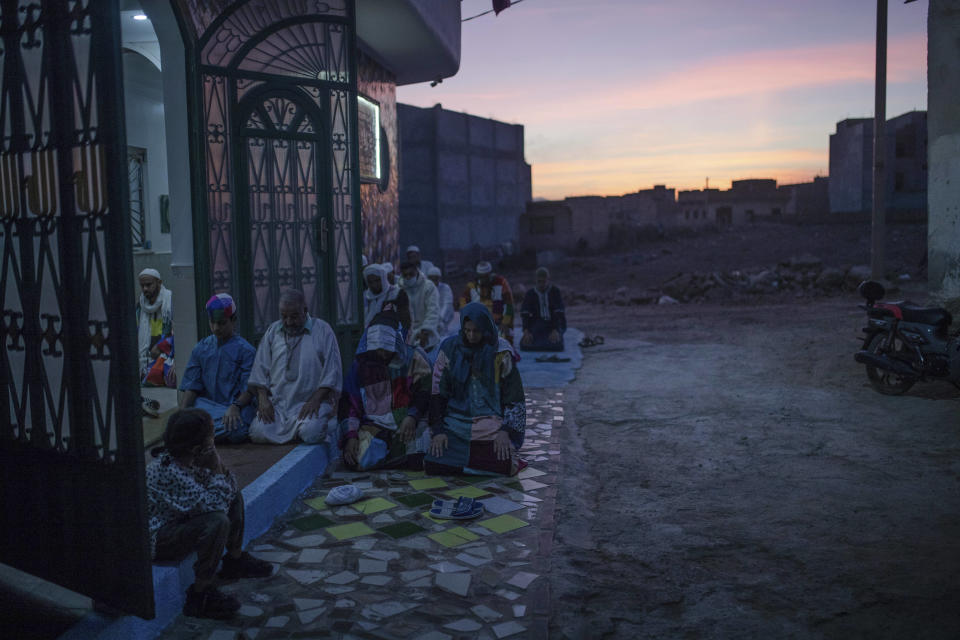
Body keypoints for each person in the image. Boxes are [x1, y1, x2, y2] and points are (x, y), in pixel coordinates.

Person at [148, 409, 273, 620]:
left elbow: (227, 489)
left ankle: (234, 560)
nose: (214, 441)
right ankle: (200, 594)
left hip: (182, 518)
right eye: (211, 437)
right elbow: (214, 507)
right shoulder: (171, 471)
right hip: (160, 537)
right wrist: (215, 464)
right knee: (217, 522)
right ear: (198, 448)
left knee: (233, 494)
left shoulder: (190, 461)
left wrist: (219, 470)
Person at [425, 302, 526, 476]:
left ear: (486, 328)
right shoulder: (449, 349)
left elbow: (514, 398)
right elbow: (437, 393)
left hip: (491, 423)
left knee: (505, 463)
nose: (471, 336)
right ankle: (475, 466)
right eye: (467, 330)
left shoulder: (501, 352)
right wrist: (439, 430)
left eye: (476, 331)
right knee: (433, 461)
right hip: (456, 422)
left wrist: (505, 431)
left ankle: (465, 466)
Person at [338, 312, 432, 471]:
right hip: (375, 426)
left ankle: (394, 456)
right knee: (358, 459)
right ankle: (399, 457)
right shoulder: (360, 364)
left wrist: (412, 416)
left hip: (410, 422)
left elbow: (426, 390)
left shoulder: (415, 358)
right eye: (378, 348)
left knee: (428, 447)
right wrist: (351, 436)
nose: (382, 353)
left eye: (387, 348)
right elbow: (350, 403)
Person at [246, 290, 342, 444]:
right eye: (284, 316)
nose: (289, 321)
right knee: (257, 432)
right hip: (279, 407)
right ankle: (296, 432)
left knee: (311, 433)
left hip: (310, 404)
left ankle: (309, 428)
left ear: (305, 310)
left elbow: (332, 371)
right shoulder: (272, 331)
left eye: (294, 316)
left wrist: (315, 400)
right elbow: (260, 370)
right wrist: (263, 400)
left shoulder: (323, 330)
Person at [179, 294, 257, 443]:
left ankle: (197, 434)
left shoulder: (246, 351)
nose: (216, 328)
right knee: (187, 414)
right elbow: (191, 387)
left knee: (237, 429)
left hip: (235, 408)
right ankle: (201, 432)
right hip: (208, 408)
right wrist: (180, 418)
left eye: (221, 323)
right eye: (212, 322)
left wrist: (235, 407)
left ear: (233, 320)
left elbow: (249, 389)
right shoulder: (201, 348)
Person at [457, 261, 516, 345]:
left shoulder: (501, 282)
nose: (484, 279)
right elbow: (463, 304)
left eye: (486, 277)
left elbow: (509, 305)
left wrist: (505, 323)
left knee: (503, 344)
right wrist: (470, 321)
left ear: (490, 274)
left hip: (499, 324)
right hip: (477, 324)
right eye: (481, 277)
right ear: (478, 275)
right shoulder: (471, 286)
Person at [137, 268, 175, 387]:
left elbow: (179, 334)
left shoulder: (170, 301)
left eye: (148, 285)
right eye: (142, 286)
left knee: (167, 376)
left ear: (159, 282)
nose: (145, 289)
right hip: (147, 356)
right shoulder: (140, 306)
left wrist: (161, 346)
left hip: (167, 352)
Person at [520, 267, 567, 352]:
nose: (542, 284)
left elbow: (559, 313)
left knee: (556, 345)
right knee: (527, 344)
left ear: (548, 280)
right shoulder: (530, 294)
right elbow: (525, 314)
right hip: (538, 323)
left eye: (544, 281)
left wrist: (556, 329)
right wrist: (526, 330)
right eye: (539, 281)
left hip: (554, 323)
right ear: (536, 280)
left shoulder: (555, 291)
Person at [399, 260, 440, 351]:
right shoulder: (399, 289)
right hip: (405, 337)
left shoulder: (428, 286)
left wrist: (425, 331)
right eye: (405, 275)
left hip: (427, 336)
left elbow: (433, 311)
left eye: (411, 274)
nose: (408, 277)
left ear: (417, 271)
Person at [363, 263, 410, 330]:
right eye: (370, 282)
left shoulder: (397, 293)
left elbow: (404, 320)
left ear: (383, 278)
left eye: (377, 280)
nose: (374, 285)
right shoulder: (365, 296)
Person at [427, 265, 456, 338]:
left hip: (445, 318)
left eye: (435, 279)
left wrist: (440, 318)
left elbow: (447, 304)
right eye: (431, 279)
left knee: (443, 334)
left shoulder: (446, 287)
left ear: (439, 279)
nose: (433, 281)